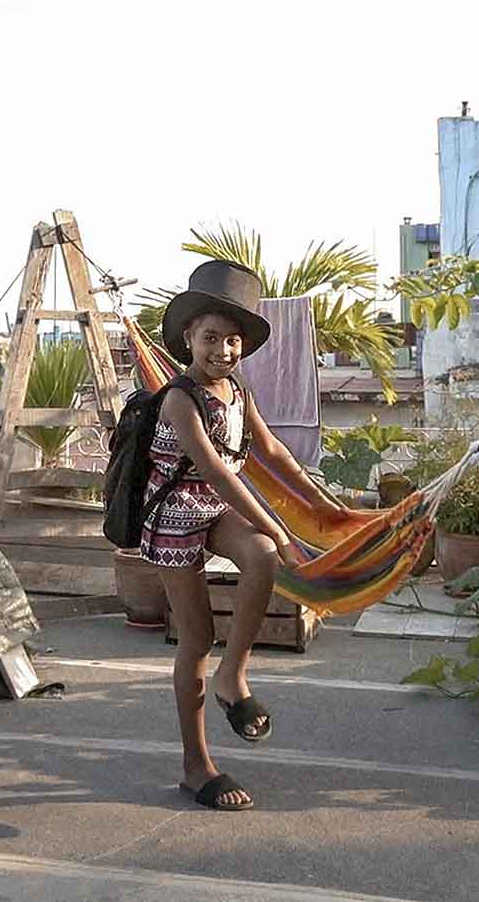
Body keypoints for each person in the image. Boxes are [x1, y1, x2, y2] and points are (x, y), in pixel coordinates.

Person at [142, 260, 344, 811]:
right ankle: (195, 766)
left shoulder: (237, 392)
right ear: (188, 338)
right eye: (211, 338)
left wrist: (328, 510)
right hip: (174, 518)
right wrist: (282, 529)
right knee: (197, 639)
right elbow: (218, 473)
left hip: (212, 509)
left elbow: (273, 452)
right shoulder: (179, 398)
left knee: (261, 555)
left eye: (232, 341)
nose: (223, 350)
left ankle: (233, 677)